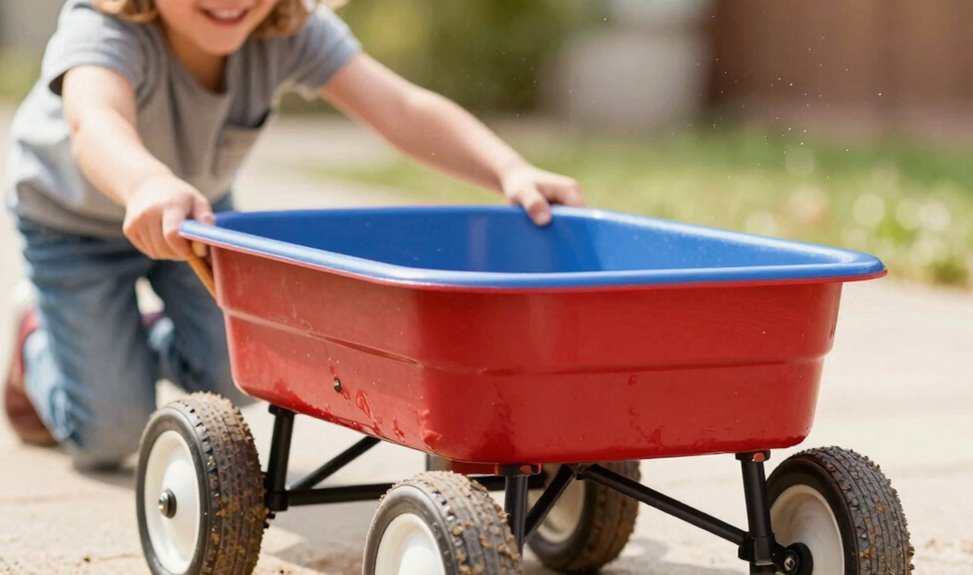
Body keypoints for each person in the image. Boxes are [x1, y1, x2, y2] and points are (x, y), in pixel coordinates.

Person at [2, 0, 583, 470]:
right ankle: (37, 346)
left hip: (195, 215)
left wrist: (510, 169)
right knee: (107, 434)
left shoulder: (288, 23)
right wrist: (146, 182)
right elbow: (95, 122)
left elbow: (401, 108)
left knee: (241, 370)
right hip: (73, 224)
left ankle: (133, 338)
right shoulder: (104, 26)